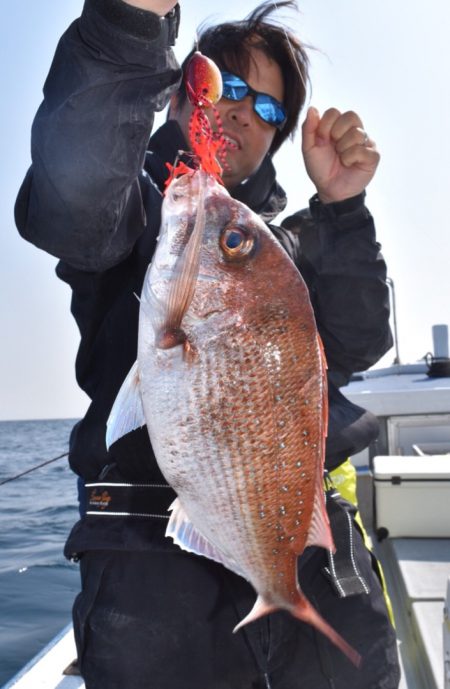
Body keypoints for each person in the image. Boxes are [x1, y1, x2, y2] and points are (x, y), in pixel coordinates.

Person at [15, 0, 401, 687]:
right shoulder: (132, 212)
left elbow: (361, 338)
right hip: (159, 594)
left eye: (271, 108)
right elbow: (74, 193)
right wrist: (129, 24)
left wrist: (342, 206)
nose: (246, 110)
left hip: (311, 566)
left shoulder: (286, 243)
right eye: (229, 84)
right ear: (184, 87)